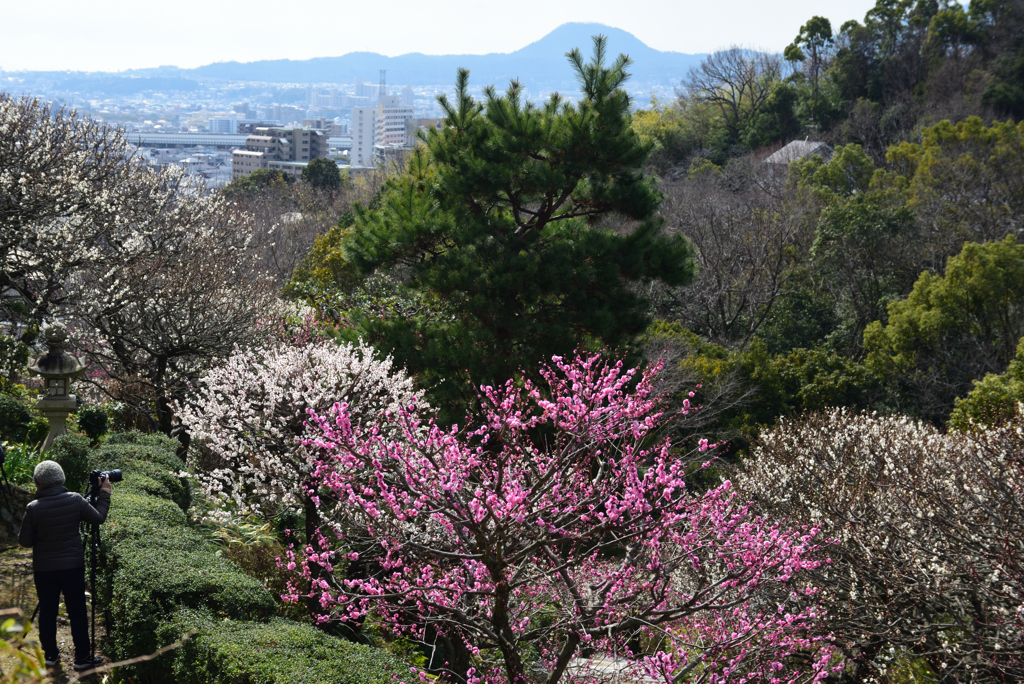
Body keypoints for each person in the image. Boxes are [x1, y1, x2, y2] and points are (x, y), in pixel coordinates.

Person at [18, 460, 111, 671]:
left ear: (38, 483)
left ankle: (50, 655)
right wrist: (104, 494)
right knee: (77, 611)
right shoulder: (75, 500)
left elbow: (24, 542)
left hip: (44, 569)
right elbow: (98, 518)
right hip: (72, 567)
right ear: (61, 479)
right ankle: (82, 658)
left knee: (48, 611)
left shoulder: (33, 508)